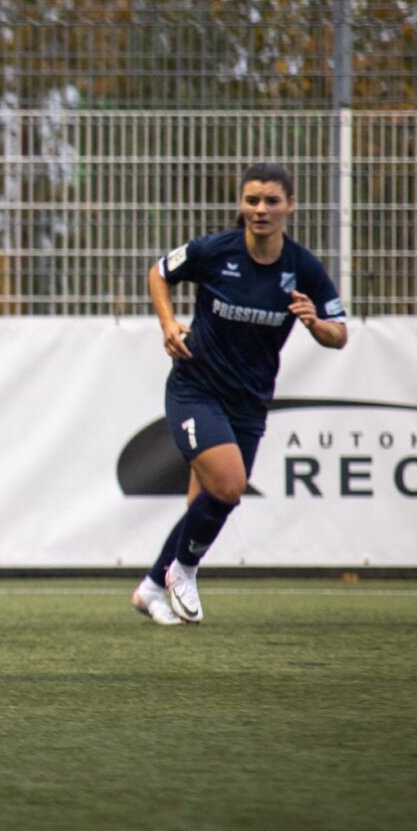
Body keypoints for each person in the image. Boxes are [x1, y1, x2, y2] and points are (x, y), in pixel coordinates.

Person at [133, 162, 347, 626]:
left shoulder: (302, 267)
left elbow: (339, 334)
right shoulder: (215, 251)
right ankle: (182, 571)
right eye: (252, 200)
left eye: (271, 201)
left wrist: (315, 324)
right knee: (228, 486)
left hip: (249, 402)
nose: (261, 209)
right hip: (195, 388)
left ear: (290, 205)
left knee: (208, 503)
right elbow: (159, 272)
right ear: (241, 205)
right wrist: (167, 323)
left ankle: (150, 587)